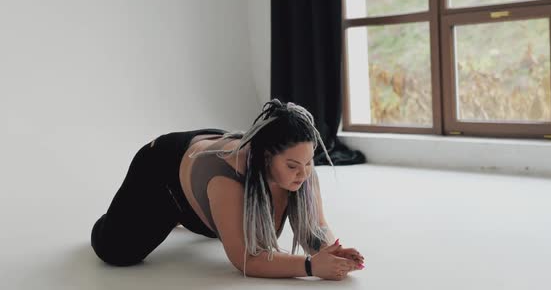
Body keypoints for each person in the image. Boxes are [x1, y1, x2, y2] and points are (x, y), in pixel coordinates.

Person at [91, 99, 365, 280]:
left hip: (208, 166)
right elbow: (246, 259)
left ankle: (196, 214)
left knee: (224, 226)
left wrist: (332, 251)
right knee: (118, 252)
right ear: (267, 156)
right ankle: (163, 215)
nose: (303, 173)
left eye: (308, 163)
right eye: (293, 166)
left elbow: (315, 228)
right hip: (163, 170)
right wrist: (310, 266)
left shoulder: (300, 168)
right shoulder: (227, 179)